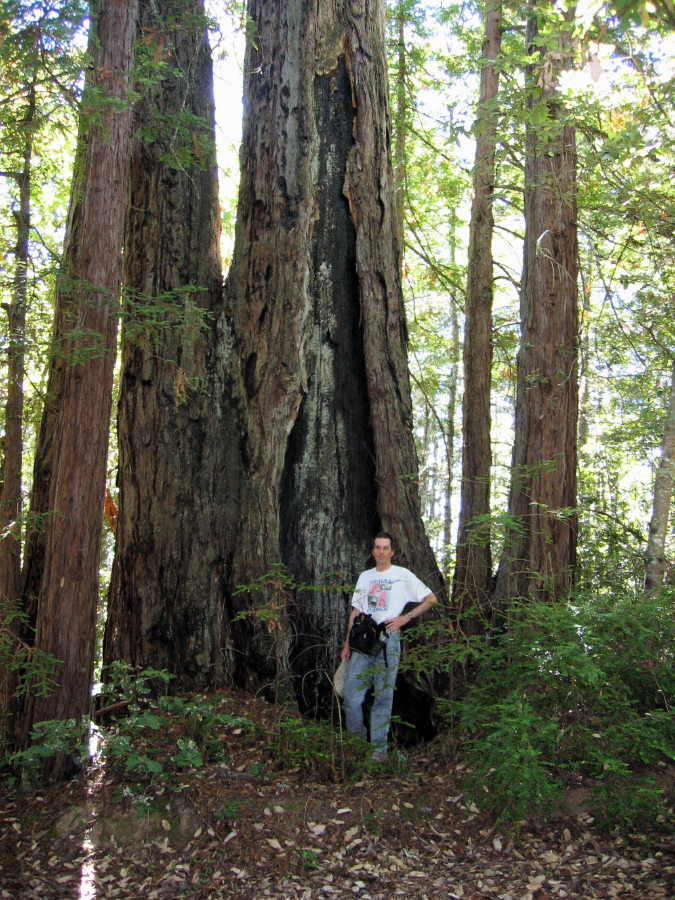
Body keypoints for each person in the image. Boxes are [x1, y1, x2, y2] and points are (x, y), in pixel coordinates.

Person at [340, 532, 437, 761]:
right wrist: (347, 644)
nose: (381, 552)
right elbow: (356, 611)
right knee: (351, 697)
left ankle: (378, 752)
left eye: (385, 548)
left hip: (388, 639)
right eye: (377, 547)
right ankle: (357, 746)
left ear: (392, 552)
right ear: (373, 551)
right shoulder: (365, 577)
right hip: (363, 640)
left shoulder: (402, 575)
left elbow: (431, 598)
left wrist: (406, 617)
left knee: (383, 697)